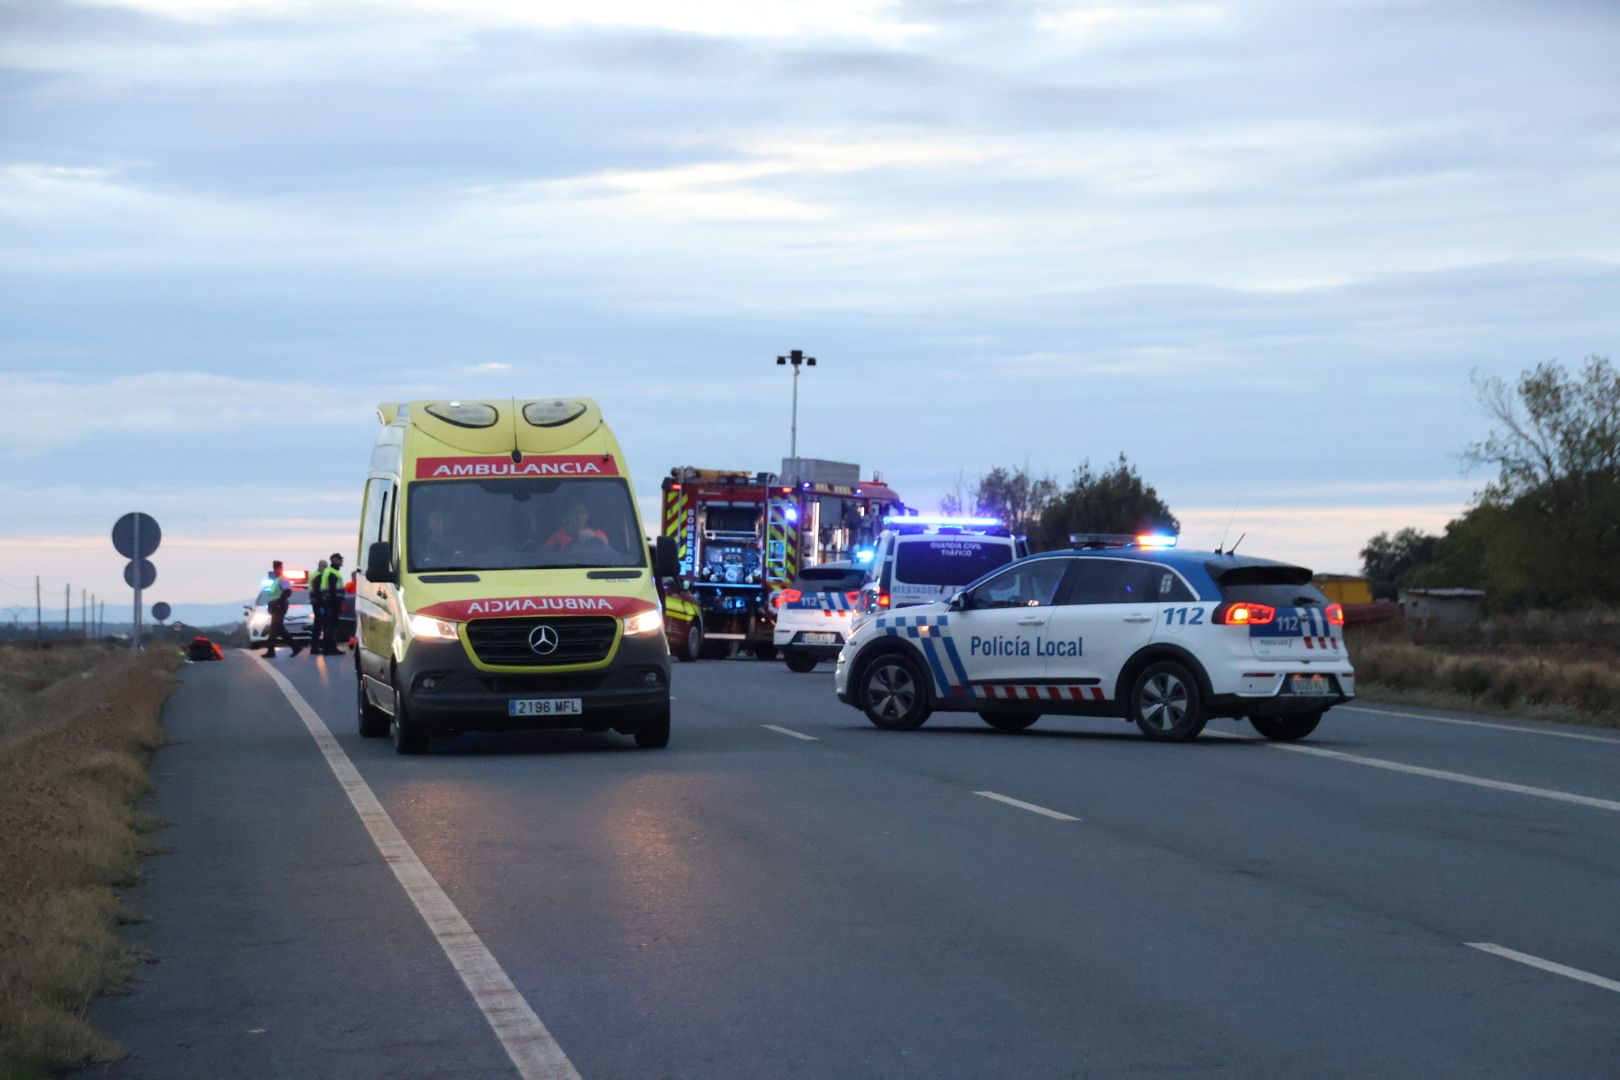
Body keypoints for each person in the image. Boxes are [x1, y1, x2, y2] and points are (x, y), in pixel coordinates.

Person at [262, 560, 302, 658]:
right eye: (275, 568)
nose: (276, 570)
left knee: (275, 628)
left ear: (281, 568)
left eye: (278, 568)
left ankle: (271, 651)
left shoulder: (282, 579)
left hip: (279, 606)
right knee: (278, 629)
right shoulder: (276, 580)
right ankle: (295, 647)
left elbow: (287, 592)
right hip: (275, 606)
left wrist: (278, 603)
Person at [311, 553, 346, 655]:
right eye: (340, 560)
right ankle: (331, 648)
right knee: (332, 626)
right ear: (335, 560)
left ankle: (327, 648)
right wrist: (337, 603)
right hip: (333, 603)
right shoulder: (332, 573)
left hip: (329, 602)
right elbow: (332, 590)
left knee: (328, 626)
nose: (342, 562)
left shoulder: (330, 571)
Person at [543, 502, 609, 550]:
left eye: (582, 513)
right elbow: (545, 554)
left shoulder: (597, 534)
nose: (579, 517)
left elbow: (607, 549)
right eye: (575, 513)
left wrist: (594, 537)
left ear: (587, 516)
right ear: (567, 517)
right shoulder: (556, 538)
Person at [307, 559, 329, 654]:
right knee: (321, 625)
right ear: (321, 566)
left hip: (315, 603)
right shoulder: (319, 576)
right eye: (325, 566)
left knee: (318, 625)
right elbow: (318, 591)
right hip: (319, 604)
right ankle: (318, 647)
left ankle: (316, 647)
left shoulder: (314, 574)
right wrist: (321, 605)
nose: (326, 568)